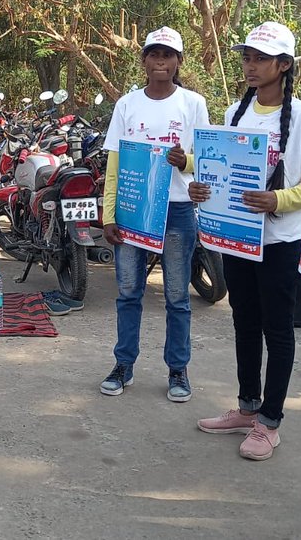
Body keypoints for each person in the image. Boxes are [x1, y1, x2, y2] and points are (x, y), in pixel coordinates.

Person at [189, 22, 301, 460]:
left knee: (277, 328)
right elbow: (218, 168)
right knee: (244, 323)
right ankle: (248, 407)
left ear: (284, 65)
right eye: (247, 57)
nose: (250, 65)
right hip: (237, 239)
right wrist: (200, 186)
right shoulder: (236, 111)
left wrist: (278, 199)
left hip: (281, 240)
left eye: (260, 58)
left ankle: (270, 421)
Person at [100, 26, 210, 402]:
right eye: (154, 54)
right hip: (133, 210)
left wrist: (187, 161)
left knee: (177, 297)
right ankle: (123, 364)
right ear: (144, 60)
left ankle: (178, 370)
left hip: (177, 211)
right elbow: (114, 161)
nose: (160, 61)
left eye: (168, 55)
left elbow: (208, 161)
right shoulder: (127, 105)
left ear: (179, 62)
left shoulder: (193, 104)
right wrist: (108, 214)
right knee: (129, 292)